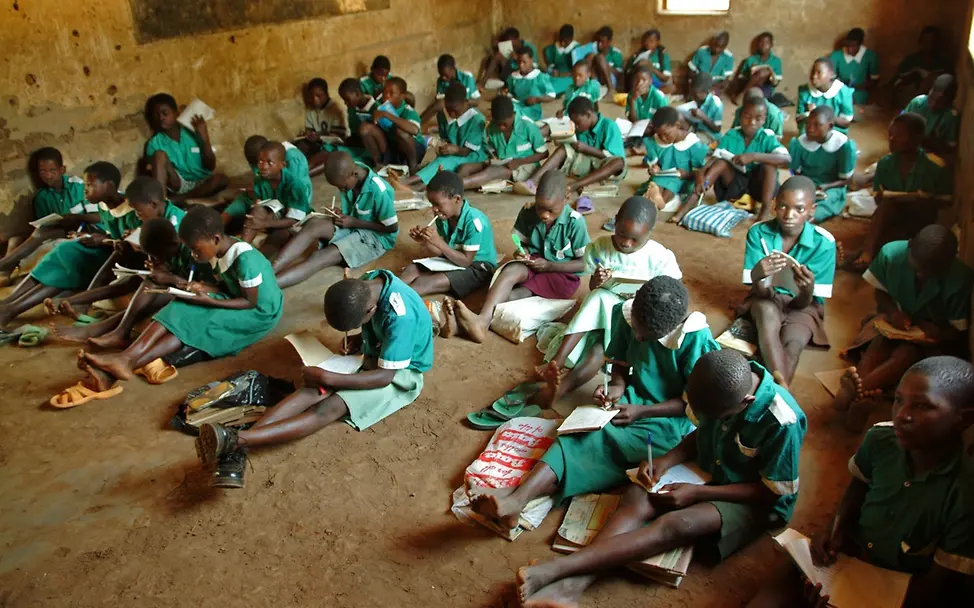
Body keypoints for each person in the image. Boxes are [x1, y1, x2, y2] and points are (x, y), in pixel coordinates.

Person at [514, 348, 806, 608]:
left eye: (717, 417)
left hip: (752, 495)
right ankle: (571, 588)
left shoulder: (783, 422)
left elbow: (771, 493)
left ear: (747, 401)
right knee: (638, 496)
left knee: (679, 524)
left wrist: (698, 494)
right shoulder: (714, 385)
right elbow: (699, 435)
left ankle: (556, 572)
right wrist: (665, 462)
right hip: (711, 465)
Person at [468, 277, 717, 530]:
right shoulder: (627, 315)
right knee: (577, 435)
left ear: (670, 328)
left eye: (646, 336)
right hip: (630, 404)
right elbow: (620, 364)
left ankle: (516, 498)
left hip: (668, 421)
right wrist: (618, 387)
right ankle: (516, 499)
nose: (638, 337)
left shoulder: (696, 341)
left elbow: (694, 406)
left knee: (606, 445)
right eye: (637, 331)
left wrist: (643, 411)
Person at [748, 357, 974, 608]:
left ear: (962, 420)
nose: (903, 415)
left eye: (923, 406)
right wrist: (837, 528)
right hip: (853, 555)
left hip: (898, 586)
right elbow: (859, 484)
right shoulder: (880, 439)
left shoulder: (966, 492)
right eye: (898, 400)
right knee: (787, 575)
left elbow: (939, 586)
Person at [194, 270, 433, 488]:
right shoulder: (367, 285)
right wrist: (361, 338)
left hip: (398, 374)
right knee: (311, 390)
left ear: (370, 310)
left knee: (327, 407)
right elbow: (371, 328)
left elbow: (383, 377)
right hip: (372, 356)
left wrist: (328, 375)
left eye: (358, 323)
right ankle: (236, 444)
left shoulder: (400, 317)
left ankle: (238, 440)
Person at [50, 206, 283, 408]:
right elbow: (225, 285)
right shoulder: (217, 251)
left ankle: (124, 361)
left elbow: (250, 301)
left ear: (214, 239)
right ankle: (121, 363)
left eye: (196, 250)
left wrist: (210, 299)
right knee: (183, 302)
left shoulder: (245, 260)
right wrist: (203, 287)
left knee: (196, 319)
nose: (193, 254)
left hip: (259, 313)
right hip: (235, 298)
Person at [536, 197, 682, 407]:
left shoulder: (659, 257)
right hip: (602, 313)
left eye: (635, 240)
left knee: (598, 352)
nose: (626, 243)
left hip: (634, 317)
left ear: (649, 233)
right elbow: (594, 287)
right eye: (622, 234)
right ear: (615, 221)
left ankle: (561, 389)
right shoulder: (600, 247)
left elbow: (673, 290)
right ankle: (558, 361)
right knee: (598, 297)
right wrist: (597, 280)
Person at [834, 226, 973, 432]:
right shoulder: (891, 254)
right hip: (895, 326)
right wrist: (893, 313)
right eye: (916, 268)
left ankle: (857, 392)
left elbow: (957, 334)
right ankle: (858, 389)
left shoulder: (960, 279)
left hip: (928, 344)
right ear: (909, 246)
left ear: (948, 264)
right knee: (880, 342)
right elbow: (881, 294)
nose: (920, 275)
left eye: (928, 273)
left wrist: (935, 333)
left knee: (905, 355)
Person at [453, 172, 589, 343]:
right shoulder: (528, 212)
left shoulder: (575, 223)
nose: (544, 215)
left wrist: (550, 266)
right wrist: (522, 252)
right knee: (511, 269)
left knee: (513, 295)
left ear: (566, 198)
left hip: (561, 275)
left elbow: (584, 263)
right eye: (540, 207)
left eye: (551, 210)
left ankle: (470, 322)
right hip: (534, 263)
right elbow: (522, 243)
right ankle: (480, 322)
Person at [0, 162, 136, 327]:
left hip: (121, 258)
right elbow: (110, 232)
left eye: (90, 185)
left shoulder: (132, 208)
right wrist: (98, 238)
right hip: (107, 248)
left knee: (71, 262)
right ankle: (9, 302)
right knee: (64, 249)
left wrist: (104, 240)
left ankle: (13, 309)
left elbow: (132, 245)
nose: (85, 189)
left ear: (109, 186)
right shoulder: (104, 205)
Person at [53, 216, 212, 349]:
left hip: (198, 296)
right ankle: (113, 327)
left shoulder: (194, 252)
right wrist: (160, 268)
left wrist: (170, 277)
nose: (153, 259)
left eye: (156, 255)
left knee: (154, 292)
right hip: (176, 285)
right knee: (141, 282)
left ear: (173, 244)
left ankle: (112, 331)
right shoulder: (172, 248)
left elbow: (204, 288)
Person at [44, 176, 186, 322]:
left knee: (130, 283)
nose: (137, 215)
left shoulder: (176, 222)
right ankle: (76, 301)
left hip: (174, 274)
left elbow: (171, 254)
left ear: (153, 204)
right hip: (155, 267)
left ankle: (82, 305)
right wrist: (134, 236)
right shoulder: (153, 215)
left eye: (139, 212)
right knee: (122, 254)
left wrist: (143, 246)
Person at [739, 176, 836, 387]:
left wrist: (807, 290)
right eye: (783, 206)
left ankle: (777, 390)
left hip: (805, 305)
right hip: (767, 298)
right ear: (774, 204)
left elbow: (804, 304)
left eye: (799, 209)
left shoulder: (825, 243)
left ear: (812, 211)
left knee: (793, 343)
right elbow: (762, 293)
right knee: (767, 319)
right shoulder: (758, 233)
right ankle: (783, 393)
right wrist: (758, 276)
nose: (789, 215)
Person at [272, 152, 397, 289]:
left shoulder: (379, 190)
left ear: (354, 174)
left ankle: (268, 285)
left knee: (319, 257)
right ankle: (271, 271)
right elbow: (358, 209)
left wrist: (354, 222)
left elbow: (391, 228)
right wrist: (344, 214)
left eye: (342, 187)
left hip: (376, 238)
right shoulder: (350, 173)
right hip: (355, 224)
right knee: (314, 224)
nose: (341, 189)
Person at [848, 112, 952, 270]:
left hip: (922, 219)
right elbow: (878, 199)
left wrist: (923, 201)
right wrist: (890, 199)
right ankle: (866, 255)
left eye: (899, 136)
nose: (892, 139)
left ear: (917, 139)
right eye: (890, 134)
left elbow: (946, 201)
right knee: (887, 208)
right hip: (893, 217)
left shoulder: (935, 166)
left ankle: (866, 255)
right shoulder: (885, 164)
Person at [0, 147, 94, 287]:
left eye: (52, 171)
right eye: (42, 171)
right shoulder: (41, 197)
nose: (47, 176)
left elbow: (97, 217)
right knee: (16, 238)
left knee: (39, 234)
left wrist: (76, 218)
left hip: (85, 231)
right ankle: (5, 271)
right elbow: (44, 224)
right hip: (57, 233)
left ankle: (4, 265)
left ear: (62, 170)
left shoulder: (78, 186)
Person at [399, 171, 497, 300]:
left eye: (437, 204)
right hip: (454, 259)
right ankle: (389, 291)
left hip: (478, 268)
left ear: (457, 199)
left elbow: (466, 261)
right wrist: (426, 242)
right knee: (411, 270)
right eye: (432, 204)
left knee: (425, 283)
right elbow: (443, 253)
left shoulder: (474, 221)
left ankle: (393, 299)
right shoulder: (443, 217)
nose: (434, 209)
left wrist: (439, 242)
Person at [514, 97, 626, 201]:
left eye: (578, 123)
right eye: (573, 123)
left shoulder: (609, 126)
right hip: (587, 166)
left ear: (588, 115)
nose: (576, 127)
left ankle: (575, 185)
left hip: (606, 169)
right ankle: (532, 182)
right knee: (564, 148)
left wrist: (586, 149)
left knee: (619, 162)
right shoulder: (581, 127)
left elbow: (611, 156)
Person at [700, 98, 790, 221]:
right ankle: (699, 198)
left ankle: (764, 211)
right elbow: (713, 158)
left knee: (769, 165)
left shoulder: (767, 136)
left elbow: (786, 159)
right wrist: (701, 174)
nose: (752, 122)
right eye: (747, 116)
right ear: (740, 116)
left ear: (764, 120)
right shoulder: (732, 134)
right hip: (735, 186)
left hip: (759, 187)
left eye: (758, 118)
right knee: (720, 163)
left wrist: (754, 156)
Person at [394, 83, 487, 191]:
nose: (451, 113)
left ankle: (408, 182)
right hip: (454, 154)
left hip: (474, 155)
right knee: (442, 166)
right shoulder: (443, 114)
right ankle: (414, 186)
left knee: (446, 162)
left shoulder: (477, 120)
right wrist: (442, 147)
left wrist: (455, 149)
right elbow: (445, 139)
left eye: (455, 110)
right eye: (448, 108)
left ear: (466, 103)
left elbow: (467, 151)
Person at [223, 140, 313, 249]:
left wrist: (264, 223)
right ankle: (242, 248)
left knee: (281, 236)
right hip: (276, 215)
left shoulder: (295, 184)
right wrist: (258, 212)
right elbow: (261, 203)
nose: (264, 166)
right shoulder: (260, 179)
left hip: (295, 221)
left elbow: (294, 219)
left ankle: (263, 258)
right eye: (260, 161)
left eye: (270, 163)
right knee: (256, 211)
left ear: (282, 165)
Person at [144, 93, 228, 205]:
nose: (161, 118)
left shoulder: (192, 132)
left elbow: (210, 165)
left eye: (165, 113)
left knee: (221, 179)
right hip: (179, 184)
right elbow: (155, 171)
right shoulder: (154, 143)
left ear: (176, 113)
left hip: (203, 181)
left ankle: (180, 200)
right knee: (159, 155)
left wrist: (204, 135)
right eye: (156, 115)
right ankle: (162, 203)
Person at [457, 96, 549, 191]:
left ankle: (452, 187)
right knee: (465, 167)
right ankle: (455, 186)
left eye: (505, 124)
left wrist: (520, 161)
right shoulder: (491, 128)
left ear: (513, 115)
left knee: (491, 172)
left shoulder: (527, 126)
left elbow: (544, 153)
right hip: (503, 162)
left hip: (525, 167)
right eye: (498, 123)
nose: (501, 127)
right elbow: (494, 152)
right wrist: (493, 160)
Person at [636, 107, 709, 224]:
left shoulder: (693, 143)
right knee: (657, 180)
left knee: (671, 182)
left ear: (678, 125)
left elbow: (700, 171)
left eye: (667, 134)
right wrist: (655, 167)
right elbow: (657, 162)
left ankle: (658, 203)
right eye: (660, 135)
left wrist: (687, 174)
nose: (664, 138)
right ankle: (655, 199)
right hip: (663, 175)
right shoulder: (656, 141)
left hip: (684, 180)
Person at [789, 106, 857, 223]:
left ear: (830, 126)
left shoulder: (843, 146)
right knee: (790, 201)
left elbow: (846, 179)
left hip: (832, 187)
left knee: (820, 207)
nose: (810, 129)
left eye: (817, 125)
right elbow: (796, 173)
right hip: (806, 184)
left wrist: (826, 187)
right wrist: (808, 186)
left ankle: (807, 221)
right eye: (808, 124)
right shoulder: (799, 143)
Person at [359, 77, 427, 174]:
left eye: (391, 93)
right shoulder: (380, 107)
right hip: (393, 148)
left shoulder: (408, 111)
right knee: (365, 128)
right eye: (384, 92)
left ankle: (413, 167)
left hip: (413, 150)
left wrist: (387, 115)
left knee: (402, 133)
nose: (386, 96)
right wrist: (375, 117)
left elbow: (414, 130)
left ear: (402, 96)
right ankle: (379, 164)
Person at [891, 26, 950, 109]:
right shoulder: (912, 60)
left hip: (932, 98)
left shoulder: (942, 62)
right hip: (910, 95)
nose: (930, 45)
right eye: (926, 42)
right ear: (920, 42)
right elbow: (898, 80)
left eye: (933, 42)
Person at [903, 74, 960, 157]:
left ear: (949, 101)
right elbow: (901, 124)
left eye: (940, 101)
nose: (933, 104)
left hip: (930, 155)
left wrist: (930, 143)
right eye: (932, 98)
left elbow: (950, 147)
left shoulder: (951, 116)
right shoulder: (917, 102)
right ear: (930, 90)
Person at [419, 54, 481, 126]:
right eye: (441, 75)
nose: (443, 78)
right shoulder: (441, 81)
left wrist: (463, 102)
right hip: (450, 111)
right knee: (437, 105)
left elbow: (477, 101)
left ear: (453, 69)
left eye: (445, 75)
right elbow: (441, 100)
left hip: (465, 110)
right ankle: (417, 124)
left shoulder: (467, 77)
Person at [796, 58, 854, 134]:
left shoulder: (843, 92)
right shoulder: (805, 90)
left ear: (831, 74)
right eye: (812, 72)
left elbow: (846, 123)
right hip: (812, 131)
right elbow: (798, 119)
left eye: (819, 72)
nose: (814, 76)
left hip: (834, 130)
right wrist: (809, 114)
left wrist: (820, 114)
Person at [829, 28, 880, 105]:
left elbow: (875, 81)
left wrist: (857, 87)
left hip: (861, 94)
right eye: (848, 46)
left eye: (854, 46)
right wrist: (843, 85)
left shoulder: (870, 56)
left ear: (861, 44)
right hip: (840, 91)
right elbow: (831, 79)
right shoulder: (836, 56)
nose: (850, 49)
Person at [505, 46, 557, 122]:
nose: (521, 65)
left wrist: (536, 99)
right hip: (517, 106)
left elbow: (552, 95)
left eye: (524, 62)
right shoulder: (513, 77)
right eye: (519, 62)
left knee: (514, 115)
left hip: (533, 110)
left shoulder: (539, 77)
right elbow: (509, 93)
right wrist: (508, 97)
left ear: (531, 60)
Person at [732, 32, 783, 102]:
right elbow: (740, 79)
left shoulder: (776, 61)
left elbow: (776, 83)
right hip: (749, 85)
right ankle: (745, 95)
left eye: (766, 43)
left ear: (771, 45)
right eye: (760, 42)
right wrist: (751, 73)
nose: (763, 45)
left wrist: (768, 76)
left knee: (764, 72)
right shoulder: (751, 60)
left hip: (765, 88)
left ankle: (743, 95)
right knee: (759, 74)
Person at [625, 29, 673, 93]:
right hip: (642, 83)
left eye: (651, 41)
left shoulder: (663, 56)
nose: (648, 43)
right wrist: (638, 66)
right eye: (646, 41)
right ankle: (651, 94)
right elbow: (628, 75)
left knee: (672, 88)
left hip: (657, 84)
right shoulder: (636, 56)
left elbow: (666, 78)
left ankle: (650, 93)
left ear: (658, 42)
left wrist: (651, 67)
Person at [684, 72, 725, 145]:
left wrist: (703, 117)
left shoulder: (716, 104)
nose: (695, 95)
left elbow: (717, 129)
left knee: (690, 142)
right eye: (693, 92)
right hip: (695, 128)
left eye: (698, 93)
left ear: (708, 91)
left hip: (709, 134)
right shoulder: (693, 97)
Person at [542, 24, 579, 95]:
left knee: (555, 86)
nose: (562, 43)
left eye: (565, 41)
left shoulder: (577, 49)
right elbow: (551, 65)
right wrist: (551, 71)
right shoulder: (554, 48)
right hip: (555, 75)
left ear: (571, 39)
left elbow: (577, 71)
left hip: (569, 76)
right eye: (561, 40)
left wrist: (560, 74)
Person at [589, 26, 624, 94]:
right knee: (591, 57)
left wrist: (605, 65)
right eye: (598, 41)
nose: (599, 44)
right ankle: (593, 89)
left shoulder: (615, 53)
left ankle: (611, 89)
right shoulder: (593, 50)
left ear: (609, 41)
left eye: (602, 42)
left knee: (600, 58)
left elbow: (619, 75)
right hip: (596, 79)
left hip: (610, 81)